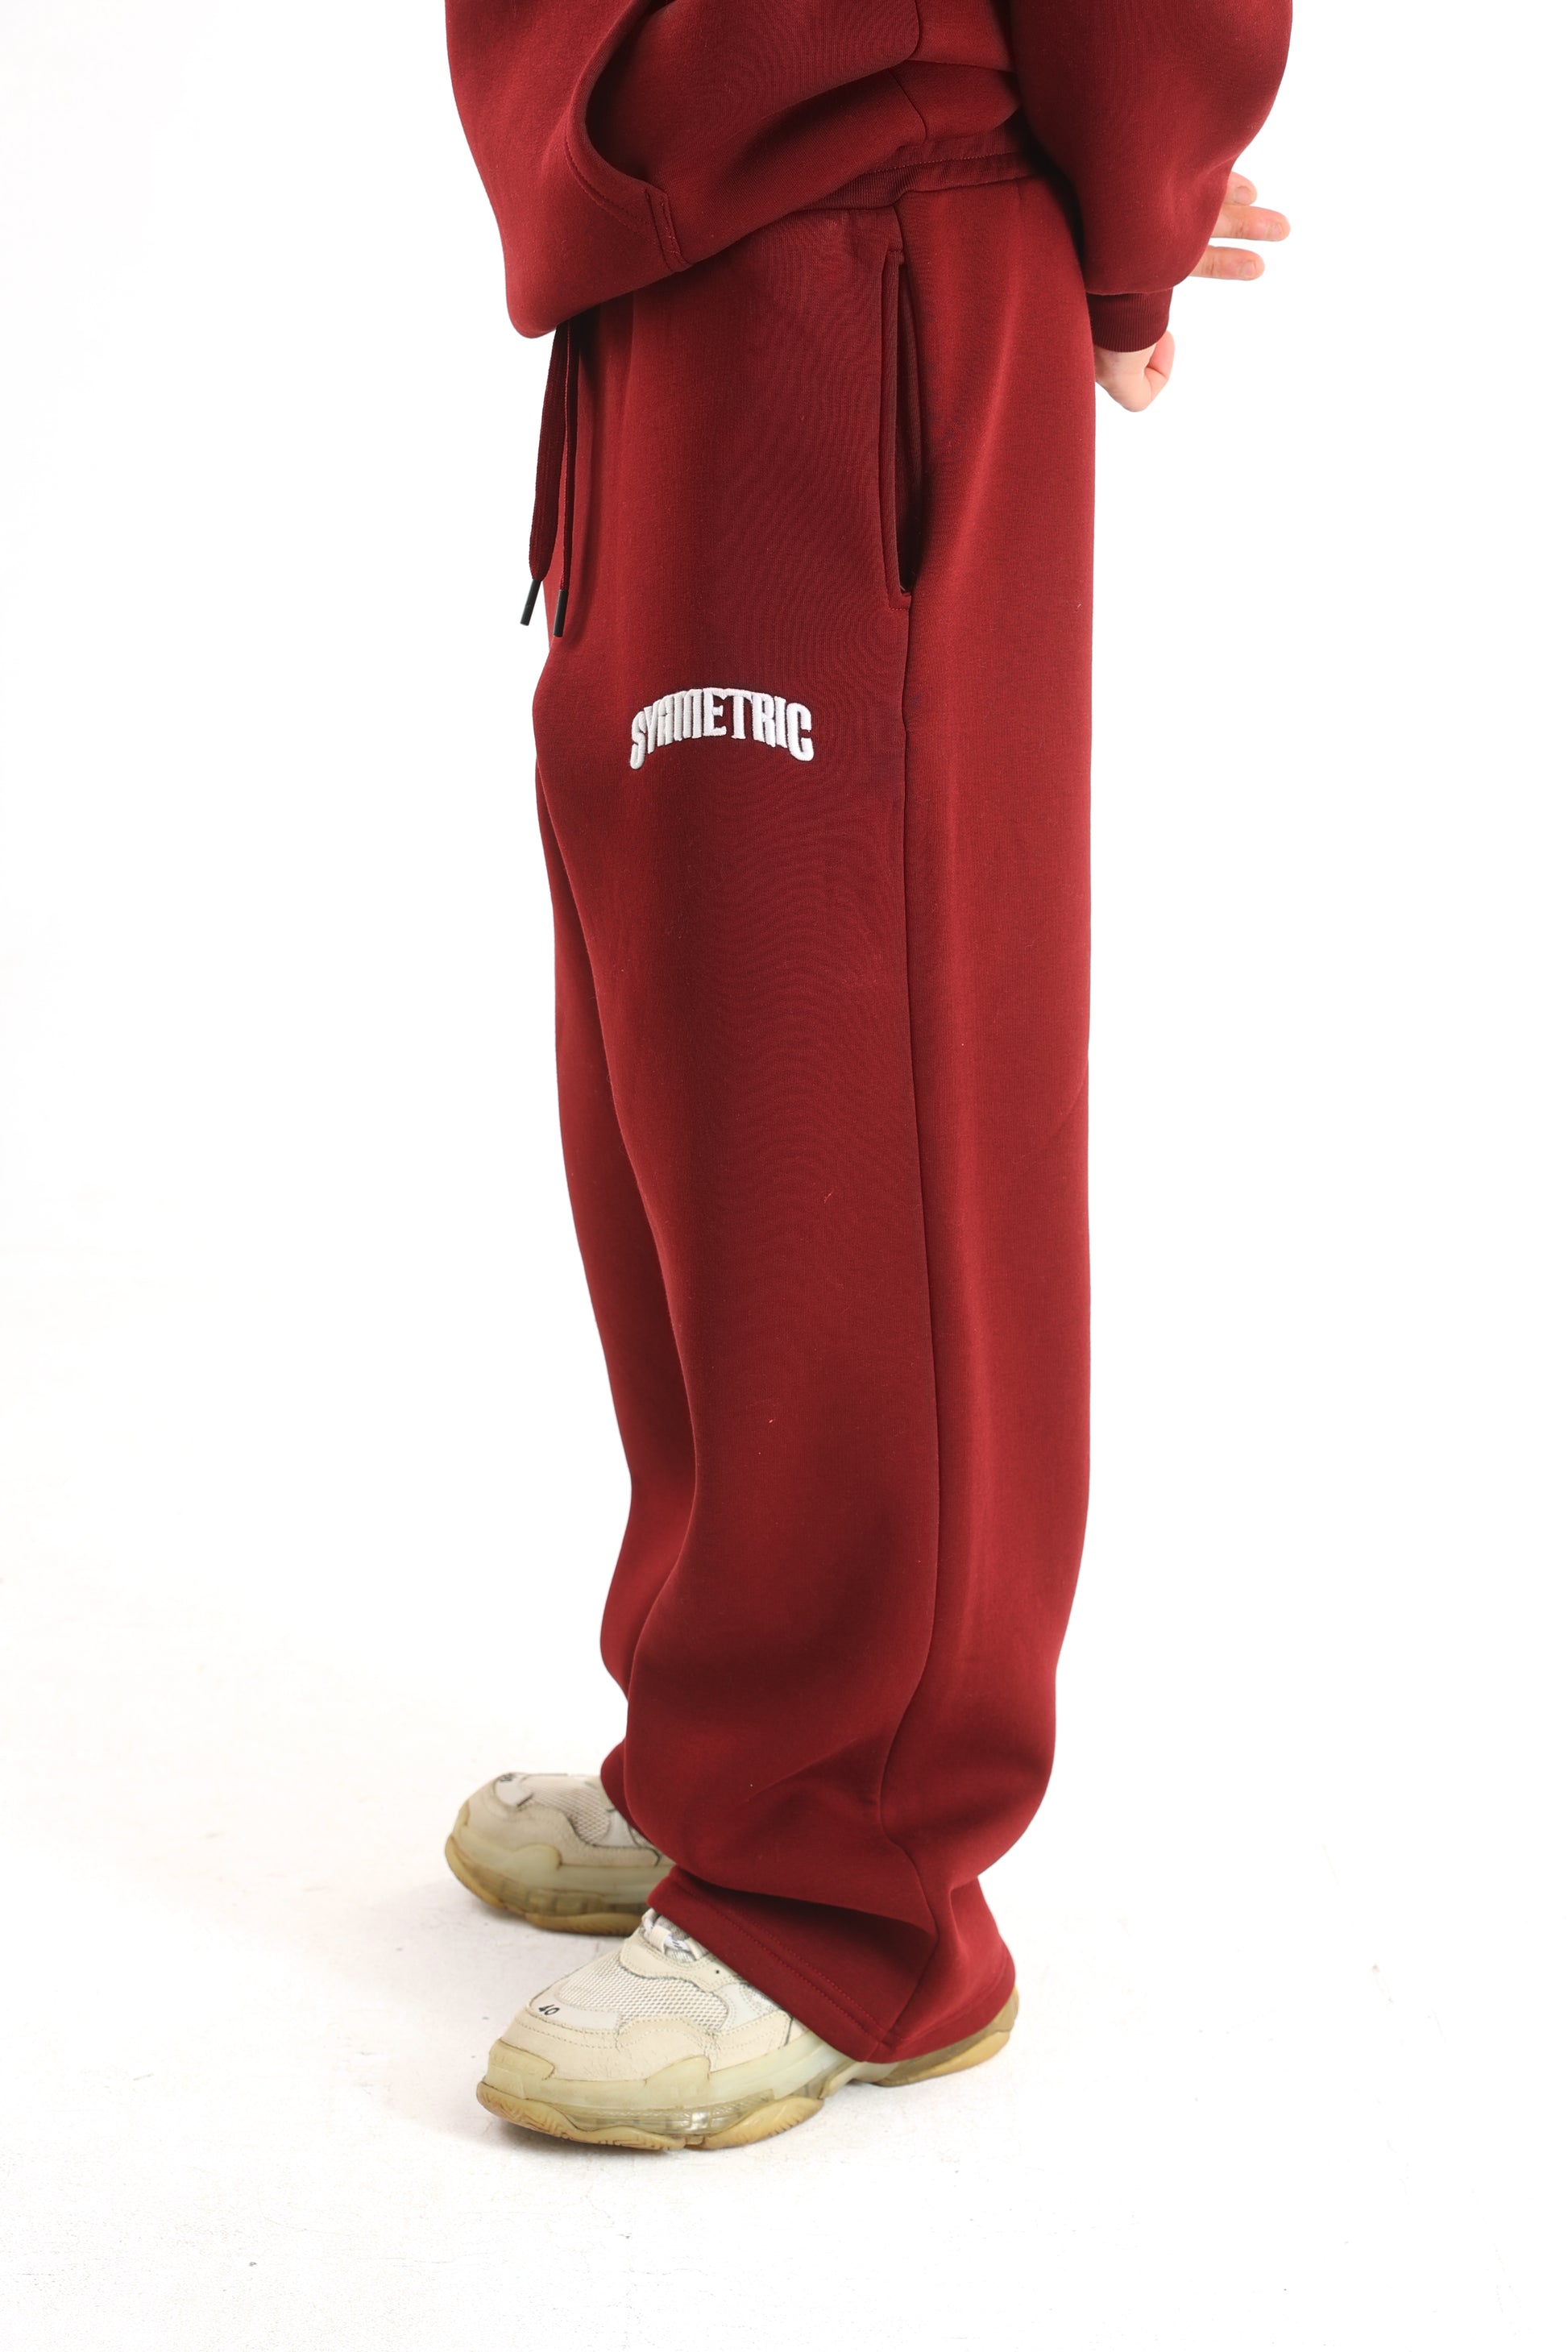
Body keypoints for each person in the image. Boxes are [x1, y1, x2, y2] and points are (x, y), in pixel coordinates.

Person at [441, 0, 1291, 2151]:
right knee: (690, 1065)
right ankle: (733, 1755)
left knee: (860, 1068)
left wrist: (1133, 194)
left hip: (863, 239)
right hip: (671, 255)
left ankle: (851, 1885)